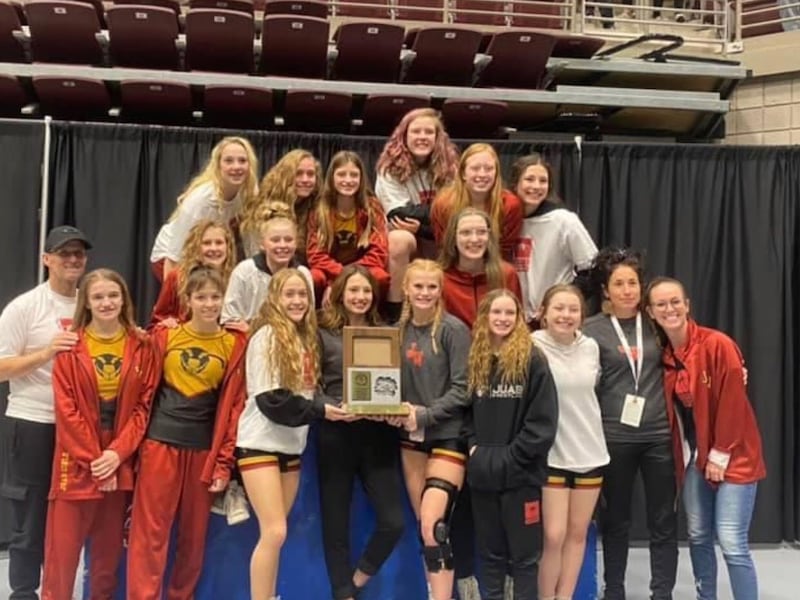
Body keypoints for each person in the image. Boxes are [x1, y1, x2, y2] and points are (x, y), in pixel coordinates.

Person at [127, 266, 247, 600]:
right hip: (160, 445)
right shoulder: (166, 336)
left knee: (193, 540)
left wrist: (223, 463)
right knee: (150, 534)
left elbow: (235, 408)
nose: (209, 304)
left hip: (202, 452)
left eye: (215, 296)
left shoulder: (234, 343)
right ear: (188, 300)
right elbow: (141, 389)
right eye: (201, 297)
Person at [645, 277, 765, 600]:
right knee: (698, 535)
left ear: (687, 306)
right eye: (661, 304)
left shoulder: (717, 344)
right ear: (651, 312)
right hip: (695, 460)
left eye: (675, 302)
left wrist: (720, 454)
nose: (669, 309)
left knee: (731, 540)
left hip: (734, 456)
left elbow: (732, 401)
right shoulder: (665, 357)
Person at [235, 268, 351, 600]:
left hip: (290, 446)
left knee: (275, 534)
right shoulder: (267, 336)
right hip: (259, 444)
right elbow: (272, 400)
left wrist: (336, 405)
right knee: (274, 531)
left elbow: (308, 394)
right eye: (290, 294)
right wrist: (323, 411)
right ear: (275, 297)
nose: (297, 301)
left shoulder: (304, 339)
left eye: (303, 295)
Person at [42, 269, 157, 600]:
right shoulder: (70, 346)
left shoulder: (142, 345)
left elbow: (142, 409)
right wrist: (96, 461)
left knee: (107, 562)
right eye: (98, 297)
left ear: (123, 299)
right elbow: (67, 411)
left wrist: (116, 456)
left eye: (113, 295)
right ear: (86, 303)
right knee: (61, 561)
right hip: (76, 462)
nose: (107, 302)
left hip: (118, 460)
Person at [0, 225, 91, 600]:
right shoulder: (25, 307)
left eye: (78, 253)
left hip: (83, 426)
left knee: (75, 515)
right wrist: (46, 353)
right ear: (46, 259)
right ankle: (23, 591)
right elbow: (1, 367)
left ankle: (64, 590)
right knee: (31, 514)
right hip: (35, 420)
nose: (72, 259)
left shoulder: (93, 302)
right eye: (64, 253)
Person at [582, 247, 677, 600]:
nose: (627, 290)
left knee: (663, 520)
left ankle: (662, 592)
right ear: (606, 289)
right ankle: (615, 591)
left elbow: (691, 352)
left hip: (658, 437)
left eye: (633, 283)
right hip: (614, 437)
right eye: (618, 283)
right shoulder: (590, 330)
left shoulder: (657, 324)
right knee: (616, 521)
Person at [316, 266, 405, 600]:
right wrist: (328, 406)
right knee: (335, 523)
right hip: (336, 433)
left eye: (366, 291)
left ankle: (355, 582)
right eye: (353, 290)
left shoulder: (386, 332)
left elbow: (396, 385)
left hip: (378, 435)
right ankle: (343, 593)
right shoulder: (322, 332)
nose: (360, 297)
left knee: (393, 522)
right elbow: (308, 384)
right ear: (340, 293)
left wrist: (394, 407)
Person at [463, 289, 558, 600]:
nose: (502, 319)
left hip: (522, 478)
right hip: (483, 476)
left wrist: (510, 458)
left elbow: (542, 423)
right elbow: (464, 414)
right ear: (485, 318)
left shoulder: (533, 359)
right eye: (496, 313)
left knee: (525, 559)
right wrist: (475, 448)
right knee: (490, 556)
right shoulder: (475, 358)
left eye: (509, 313)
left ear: (519, 319)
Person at [394, 259, 471, 600]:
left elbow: (463, 388)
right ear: (406, 289)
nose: (425, 293)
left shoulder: (454, 330)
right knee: (425, 530)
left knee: (433, 526)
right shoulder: (396, 331)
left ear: (441, 290)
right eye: (418, 286)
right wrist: (389, 411)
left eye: (432, 286)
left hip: (447, 436)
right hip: (409, 441)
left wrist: (423, 415)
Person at [532, 284, 609, 600]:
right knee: (553, 535)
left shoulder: (591, 347)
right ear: (544, 314)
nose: (566, 315)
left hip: (590, 452)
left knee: (577, 535)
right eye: (559, 309)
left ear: (582, 315)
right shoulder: (531, 345)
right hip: (551, 454)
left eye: (573, 309)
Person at [375, 108, 459, 318]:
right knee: (399, 238)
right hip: (409, 242)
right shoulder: (389, 168)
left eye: (429, 132)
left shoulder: (451, 169)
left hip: (437, 237)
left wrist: (422, 227)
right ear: (404, 136)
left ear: (438, 138)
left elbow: (456, 213)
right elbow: (398, 214)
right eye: (416, 132)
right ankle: (394, 310)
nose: (422, 137)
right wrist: (438, 215)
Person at [149, 136, 259, 281]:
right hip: (171, 258)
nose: (236, 166)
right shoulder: (200, 200)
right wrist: (171, 295)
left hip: (210, 253)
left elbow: (251, 243)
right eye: (229, 161)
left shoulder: (249, 193)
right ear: (218, 166)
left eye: (242, 161)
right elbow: (174, 255)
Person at [510, 154, 597, 326]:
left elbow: (592, 268)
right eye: (529, 179)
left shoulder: (563, 221)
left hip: (552, 320)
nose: (536, 186)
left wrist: (561, 301)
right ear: (515, 183)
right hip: (514, 319)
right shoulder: (505, 219)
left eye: (543, 181)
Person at [306, 151, 390, 305]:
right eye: (341, 175)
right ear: (332, 177)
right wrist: (338, 276)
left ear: (361, 178)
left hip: (363, 269)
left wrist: (350, 275)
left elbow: (379, 252)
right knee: (314, 277)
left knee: (381, 277)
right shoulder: (320, 210)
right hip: (330, 272)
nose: (348, 180)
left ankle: (374, 317)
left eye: (354, 175)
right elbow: (315, 255)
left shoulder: (373, 208)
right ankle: (318, 317)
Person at [221, 202, 314, 330]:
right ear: (262, 244)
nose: (282, 245)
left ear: (296, 243)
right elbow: (229, 319)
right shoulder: (244, 271)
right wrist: (252, 333)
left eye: (288, 240)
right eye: (275, 240)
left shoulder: (303, 274)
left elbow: (308, 319)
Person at [430, 143, 523, 263]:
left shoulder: (510, 205)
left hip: (494, 266)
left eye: (489, 169)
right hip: (454, 266)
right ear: (463, 173)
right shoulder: (444, 203)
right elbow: (445, 248)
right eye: (475, 168)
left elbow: (504, 252)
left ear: (496, 173)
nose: (482, 174)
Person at [439, 207, 521, 330]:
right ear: (453, 238)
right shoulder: (440, 278)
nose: (474, 239)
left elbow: (518, 325)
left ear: (489, 237)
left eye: (481, 232)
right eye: (466, 233)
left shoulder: (507, 274)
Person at [150, 219, 236, 326]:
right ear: (195, 247)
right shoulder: (177, 277)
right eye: (206, 243)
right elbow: (157, 321)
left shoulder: (236, 279)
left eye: (219, 243)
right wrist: (166, 324)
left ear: (228, 247)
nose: (213, 248)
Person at [240, 149, 321, 261]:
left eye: (311, 174)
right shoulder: (264, 211)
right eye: (298, 173)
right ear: (285, 176)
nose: (305, 179)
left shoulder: (315, 208)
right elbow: (255, 256)